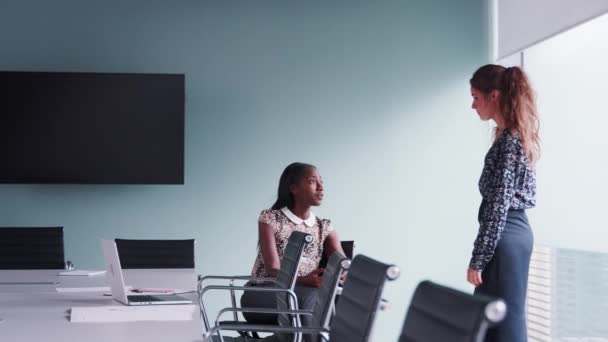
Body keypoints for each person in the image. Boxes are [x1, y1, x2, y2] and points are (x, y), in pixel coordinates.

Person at [467, 64, 540, 342]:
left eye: (476, 97)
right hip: (512, 235)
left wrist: (478, 258)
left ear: (494, 96)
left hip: (505, 237)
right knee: (498, 320)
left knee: (500, 321)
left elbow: (498, 206)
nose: (473, 105)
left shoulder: (509, 141)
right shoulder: (511, 136)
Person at [240, 162, 345, 338]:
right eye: (313, 181)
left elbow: (342, 262)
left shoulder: (323, 226)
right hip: (264, 294)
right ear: (293, 188)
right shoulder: (271, 218)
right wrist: (304, 280)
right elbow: (273, 269)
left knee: (337, 300)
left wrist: (343, 272)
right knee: (312, 301)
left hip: (306, 295)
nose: (321, 187)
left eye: (321, 181)